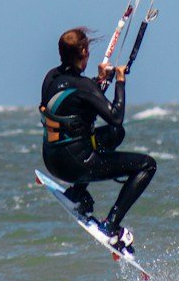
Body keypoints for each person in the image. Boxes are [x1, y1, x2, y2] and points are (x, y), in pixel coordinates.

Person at [40, 27, 156, 251]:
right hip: (77, 165)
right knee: (147, 165)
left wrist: (101, 81)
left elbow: (77, 100)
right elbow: (115, 116)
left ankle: (77, 193)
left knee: (114, 136)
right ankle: (111, 226)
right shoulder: (84, 86)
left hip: (52, 159)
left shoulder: (51, 78)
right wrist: (119, 81)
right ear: (83, 52)